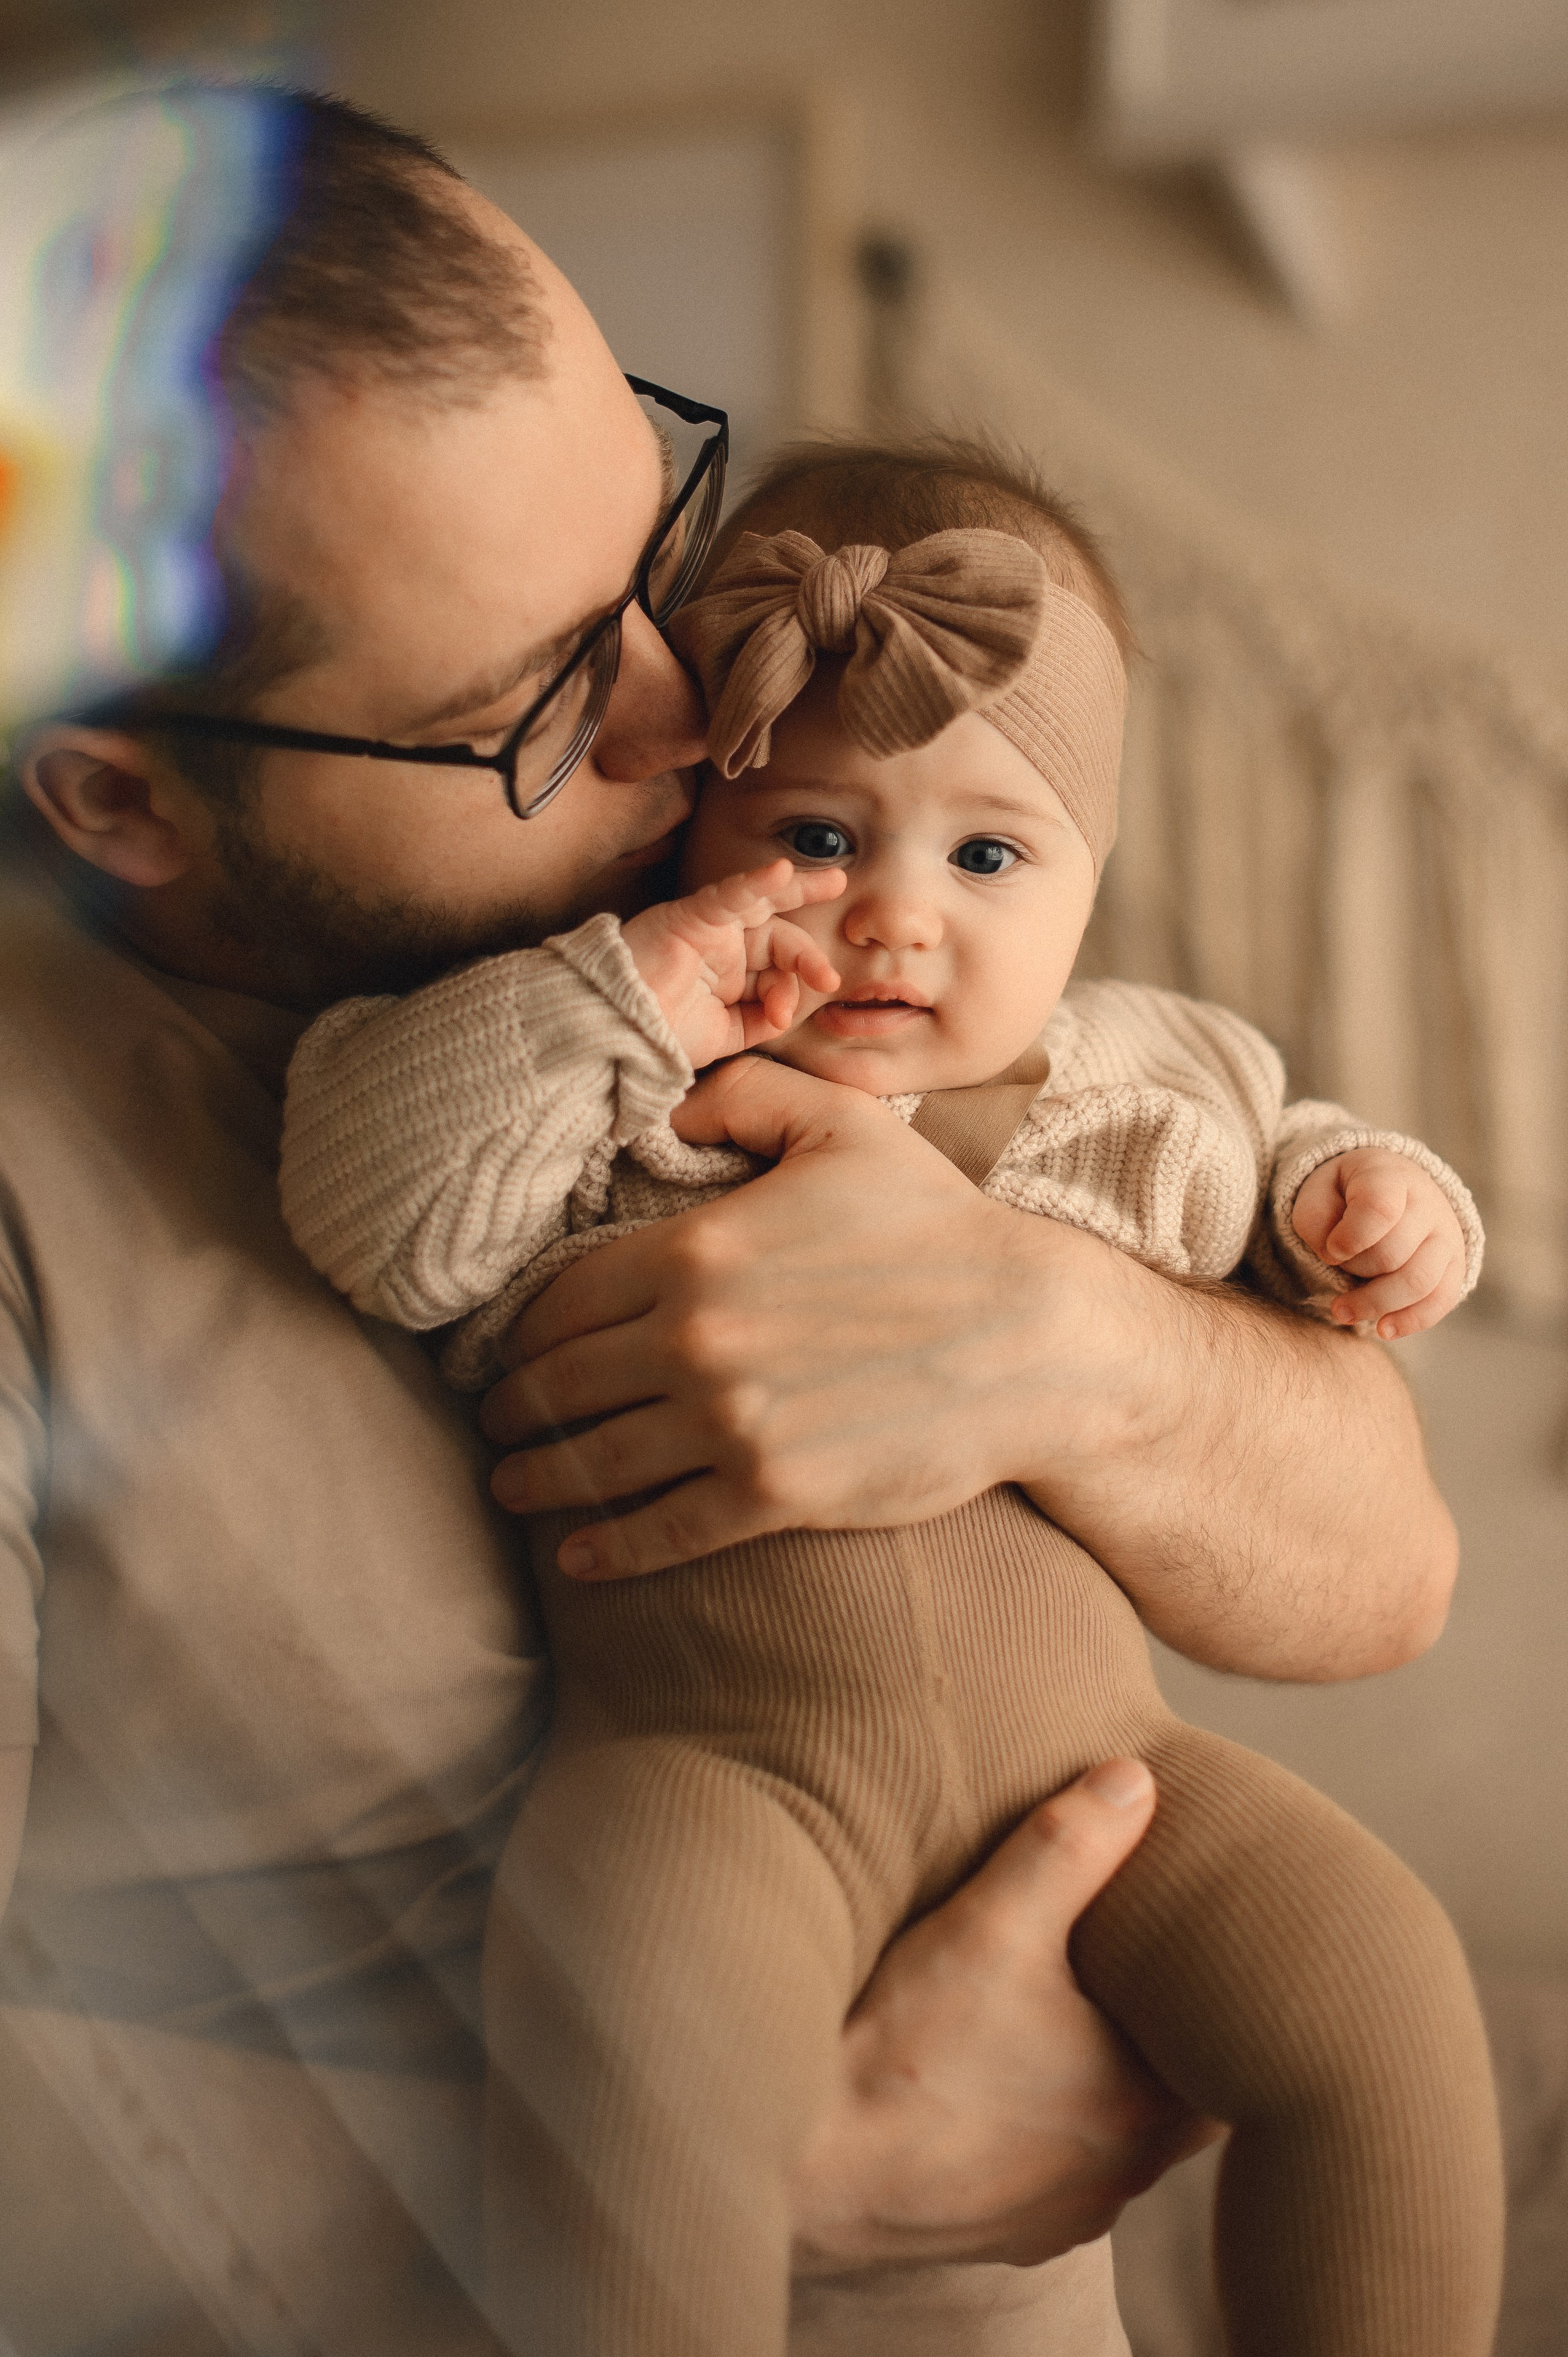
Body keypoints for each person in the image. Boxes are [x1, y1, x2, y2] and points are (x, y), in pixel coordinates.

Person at [0, 84, 1460, 2355]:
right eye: (539, 695)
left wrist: (1063, 1340)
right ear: (121, 795)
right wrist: (790, 2171)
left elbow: (1386, 1568)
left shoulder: (1034, 1065)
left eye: (656, 557)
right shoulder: (120, 1156)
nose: (698, 723)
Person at [278, 451, 1499, 2357]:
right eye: (817, 836)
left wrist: (1389, 1206)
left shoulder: (1161, 1079)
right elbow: (372, 1201)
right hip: (721, 1767)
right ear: (689, 825)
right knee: (644, 2072)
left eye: (989, 855)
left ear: (1091, 880)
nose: (892, 919)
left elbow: (1309, 1203)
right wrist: (626, 998)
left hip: (1117, 1774)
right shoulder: (607, 1046)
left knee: (1382, 1987)